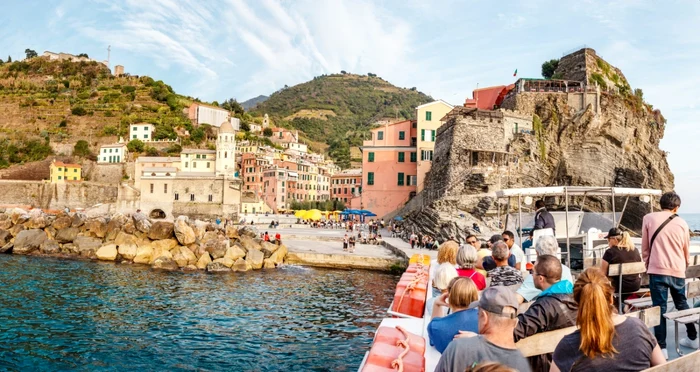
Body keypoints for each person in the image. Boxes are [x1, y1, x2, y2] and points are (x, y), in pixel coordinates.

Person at [551, 268, 666, 371]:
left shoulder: (568, 347)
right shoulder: (639, 328)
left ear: (578, 305)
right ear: (611, 299)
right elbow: (663, 367)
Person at [642, 191, 697, 354]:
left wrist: (648, 264)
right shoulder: (682, 223)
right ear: (676, 208)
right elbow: (686, 250)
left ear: (661, 205)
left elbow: (645, 248)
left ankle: (662, 348)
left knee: (659, 307)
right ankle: (693, 338)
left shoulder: (648, 218)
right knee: (682, 303)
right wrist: (684, 265)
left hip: (656, 270)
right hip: (677, 270)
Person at [435, 287, 531, 372]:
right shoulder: (523, 364)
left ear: (484, 318)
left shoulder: (458, 348)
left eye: (478, 314)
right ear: (515, 322)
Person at [513, 255, 577, 371]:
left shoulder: (543, 307)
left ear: (541, 278)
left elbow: (514, 332)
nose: (531, 275)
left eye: (532, 272)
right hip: (571, 362)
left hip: (546, 365)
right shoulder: (576, 297)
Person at [428, 277, 480, 353]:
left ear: (449, 296)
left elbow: (434, 333)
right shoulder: (486, 320)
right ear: (475, 295)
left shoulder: (436, 327)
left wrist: (436, 304)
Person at [516, 235, 573, 303]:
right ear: (556, 249)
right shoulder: (566, 270)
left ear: (537, 253)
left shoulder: (536, 275)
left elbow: (517, 298)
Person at [600, 228, 642, 306]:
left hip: (619, 287)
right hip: (636, 285)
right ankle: (623, 306)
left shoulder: (610, 252)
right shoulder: (635, 250)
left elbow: (602, 274)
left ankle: (617, 307)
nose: (608, 241)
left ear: (615, 239)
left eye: (609, 239)